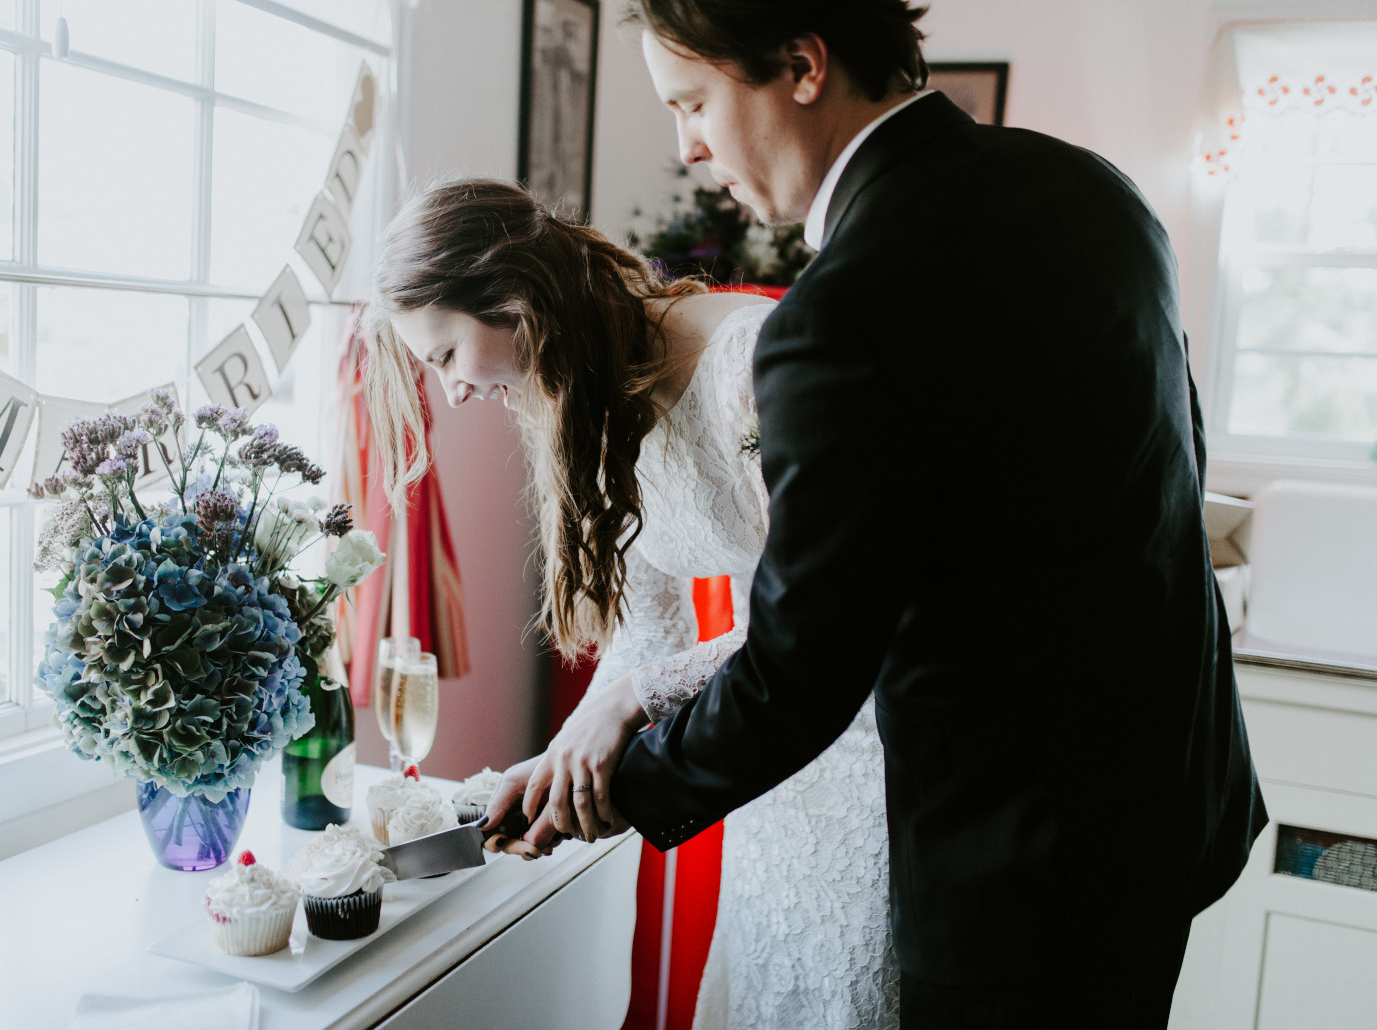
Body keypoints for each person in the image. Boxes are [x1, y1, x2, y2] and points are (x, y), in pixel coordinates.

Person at [529, 2, 1263, 1027]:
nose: (688, 147)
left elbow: (803, 666)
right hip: (1168, 806)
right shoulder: (1094, 191)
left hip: (1016, 868)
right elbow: (1169, 465)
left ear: (800, 64)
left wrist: (613, 790)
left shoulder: (839, 317)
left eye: (692, 102)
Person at [366, 178, 899, 1027]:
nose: (454, 393)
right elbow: (650, 628)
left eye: (444, 356)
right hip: (775, 781)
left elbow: (831, 615)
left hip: (864, 738)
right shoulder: (589, 401)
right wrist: (545, 771)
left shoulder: (749, 364)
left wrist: (627, 702)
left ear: (513, 300)